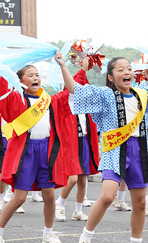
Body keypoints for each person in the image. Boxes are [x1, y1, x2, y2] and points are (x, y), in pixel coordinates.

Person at [56, 51, 148, 243]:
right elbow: (74, 89)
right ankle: (85, 239)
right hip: (115, 149)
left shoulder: (141, 94)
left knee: (139, 202)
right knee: (107, 196)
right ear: (111, 77)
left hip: (138, 149)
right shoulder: (105, 95)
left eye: (129, 69)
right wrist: (63, 66)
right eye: (120, 70)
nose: (127, 72)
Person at [0, 65, 68, 243]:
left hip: (46, 150)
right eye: (30, 75)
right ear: (21, 81)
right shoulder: (16, 99)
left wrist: (63, 65)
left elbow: (70, 91)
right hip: (26, 151)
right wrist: (6, 71)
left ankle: (48, 232)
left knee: (50, 196)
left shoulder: (50, 100)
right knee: (19, 198)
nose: (35, 77)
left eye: (37, 74)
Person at [55, 59, 99, 222]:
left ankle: (78, 210)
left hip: (84, 142)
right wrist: (83, 69)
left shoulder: (87, 105)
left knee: (82, 178)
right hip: (70, 143)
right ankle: (60, 204)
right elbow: (77, 82)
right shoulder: (67, 100)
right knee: (72, 178)